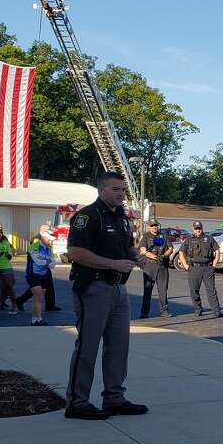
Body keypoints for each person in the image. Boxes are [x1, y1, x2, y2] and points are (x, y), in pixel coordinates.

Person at [65, 172, 147, 421]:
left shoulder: (122, 218)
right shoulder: (87, 216)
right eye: (115, 189)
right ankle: (77, 402)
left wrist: (136, 256)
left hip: (118, 289)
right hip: (93, 288)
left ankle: (114, 398)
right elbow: (75, 252)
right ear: (101, 190)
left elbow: (126, 247)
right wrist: (113, 264)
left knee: (119, 346)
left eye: (123, 190)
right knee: (88, 346)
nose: (121, 193)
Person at [178, 221, 223, 318]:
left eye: (199, 228)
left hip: (208, 268)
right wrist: (186, 266)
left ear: (202, 228)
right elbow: (181, 252)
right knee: (194, 290)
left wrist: (214, 264)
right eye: (196, 228)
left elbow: (217, 251)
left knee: (211, 290)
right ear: (193, 229)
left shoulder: (209, 238)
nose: (198, 230)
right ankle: (198, 310)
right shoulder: (189, 240)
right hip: (194, 268)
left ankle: (216, 310)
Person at [16, 226, 61, 313]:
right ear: (43, 233)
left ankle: (50, 305)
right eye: (48, 229)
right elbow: (38, 260)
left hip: (45, 269)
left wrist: (49, 262)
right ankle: (21, 301)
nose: (50, 231)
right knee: (37, 289)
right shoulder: (36, 241)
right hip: (34, 271)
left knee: (48, 287)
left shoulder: (47, 244)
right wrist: (48, 262)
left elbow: (52, 261)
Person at [137, 220, 173, 318]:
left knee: (163, 291)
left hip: (162, 267)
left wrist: (164, 255)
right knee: (147, 290)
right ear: (149, 227)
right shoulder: (146, 236)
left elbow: (170, 248)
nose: (154, 227)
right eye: (152, 226)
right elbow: (143, 250)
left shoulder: (164, 236)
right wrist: (155, 257)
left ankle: (164, 311)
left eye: (156, 226)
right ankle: (144, 312)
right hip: (150, 267)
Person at [24, 226, 55, 326]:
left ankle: (34, 319)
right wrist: (47, 262)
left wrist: (47, 262)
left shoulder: (49, 248)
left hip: (44, 275)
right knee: (37, 297)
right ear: (43, 237)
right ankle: (39, 319)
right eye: (49, 240)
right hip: (33, 275)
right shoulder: (34, 246)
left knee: (38, 299)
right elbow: (38, 261)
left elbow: (53, 264)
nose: (51, 242)